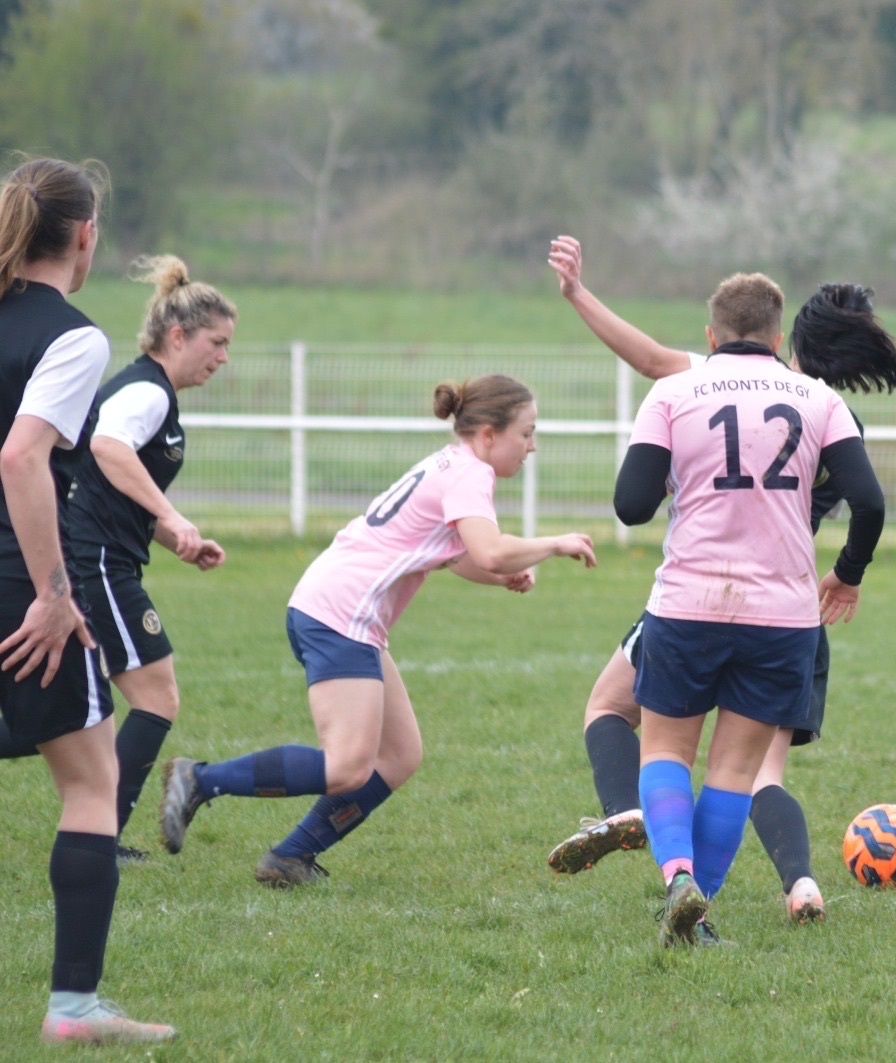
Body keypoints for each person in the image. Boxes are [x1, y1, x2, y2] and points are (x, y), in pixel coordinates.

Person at [543, 237, 896, 928]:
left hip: (692, 598)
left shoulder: (682, 389)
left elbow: (632, 499)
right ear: (776, 337)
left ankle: (672, 863)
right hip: (786, 607)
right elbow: (871, 502)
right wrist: (850, 576)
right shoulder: (825, 406)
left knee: (655, 743)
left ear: (712, 334)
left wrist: (576, 294)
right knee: (741, 773)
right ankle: (710, 905)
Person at [155, 374, 598, 887]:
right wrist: (554, 543)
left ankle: (290, 858)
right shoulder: (470, 474)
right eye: (527, 432)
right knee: (347, 766)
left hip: (334, 608)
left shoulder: (451, 465)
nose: (533, 445)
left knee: (400, 755)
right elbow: (490, 549)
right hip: (340, 614)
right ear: (489, 434)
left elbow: (458, 556)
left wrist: (501, 576)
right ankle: (201, 779)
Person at [0, 156, 176, 1044]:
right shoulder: (75, 338)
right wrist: (53, 596)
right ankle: (74, 1007)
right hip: (18, 588)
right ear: (84, 235)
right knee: (92, 781)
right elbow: (22, 458)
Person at [0, 256, 236, 865]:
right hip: (94, 562)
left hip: (103, 556)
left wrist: (172, 535)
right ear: (178, 336)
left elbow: (106, 481)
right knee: (155, 695)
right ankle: (101, 838)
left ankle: (98, 830)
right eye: (217, 342)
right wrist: (176, 517)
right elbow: (107, 447)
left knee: (83, 702)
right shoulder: (145, 391)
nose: (224, 357)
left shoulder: (151, 392)